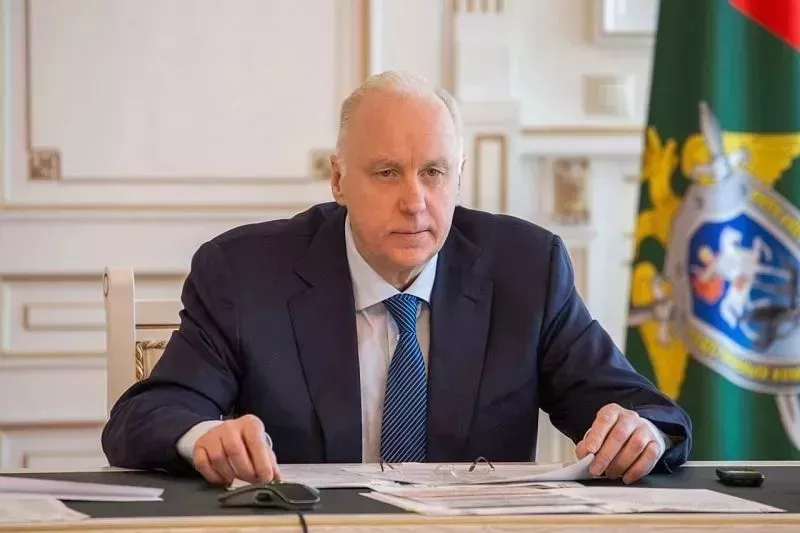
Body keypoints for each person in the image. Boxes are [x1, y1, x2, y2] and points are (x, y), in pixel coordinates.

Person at [102, 71, 691, 487]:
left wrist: (640, 432)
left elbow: (646, 411)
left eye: (434, 172)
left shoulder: (527, 269)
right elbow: (146, 418)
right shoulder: (244, 273)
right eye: (387, 173)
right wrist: (205, 436)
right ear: (338, 181)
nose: (415, 201)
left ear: (458, 178)